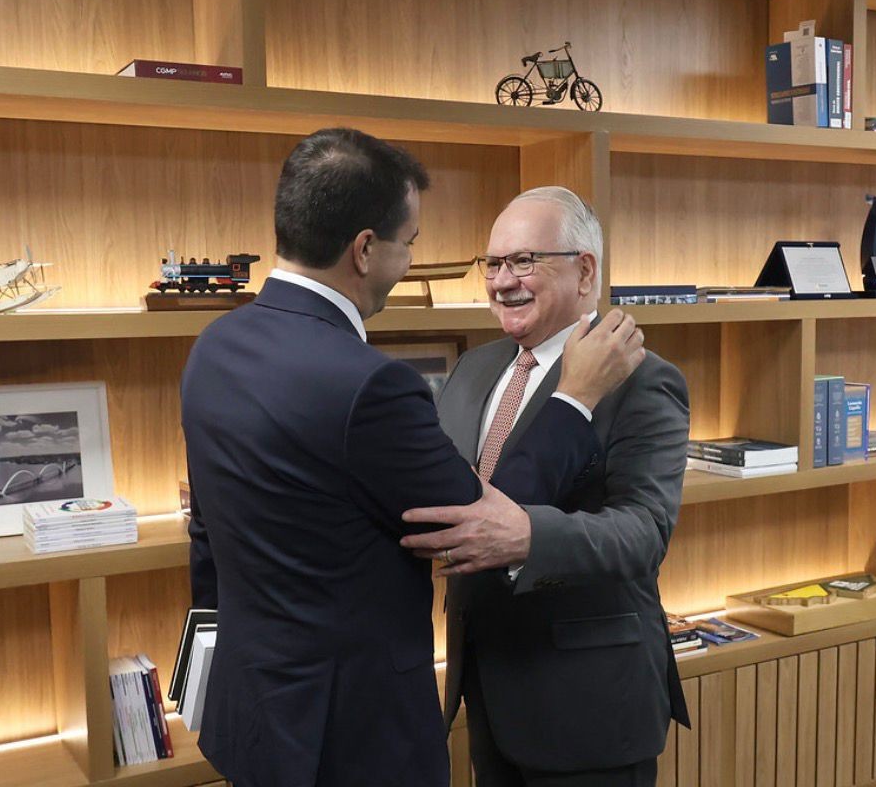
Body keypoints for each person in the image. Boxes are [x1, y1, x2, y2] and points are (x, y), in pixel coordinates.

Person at [180, 129, 645, 787]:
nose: (409, 263)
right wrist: (575, 399)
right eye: (410, 244)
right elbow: (479, 522)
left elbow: (206, 533)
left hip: (248, 714)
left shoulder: (213, 348)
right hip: (354, 735)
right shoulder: (370, 384)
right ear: (366, 249)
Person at [401, 186, 691, 787]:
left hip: (590, 705)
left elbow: (644, 533)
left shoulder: (642, 380)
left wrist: (530, 538)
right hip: (486, 687)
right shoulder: (474, 368)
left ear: (585, 271)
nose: (502, 282)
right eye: (493, 264)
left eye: (524, 261)